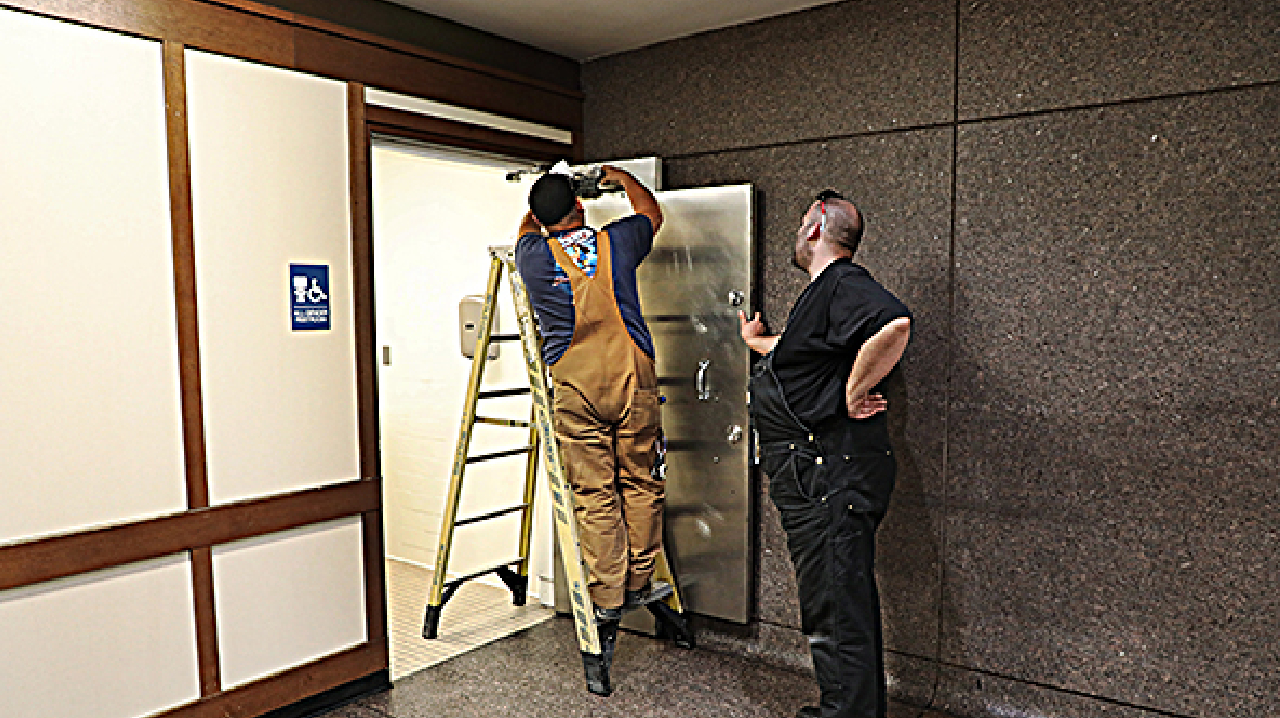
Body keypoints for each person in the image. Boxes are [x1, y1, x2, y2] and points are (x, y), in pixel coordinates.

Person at [739, 190, 912, 718]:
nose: (796, 231)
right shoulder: (823, 294)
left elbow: (894, 324)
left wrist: (852, 393)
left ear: (816, 225)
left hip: (828, 475)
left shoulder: (842, 282)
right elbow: (803, 350)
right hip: (817, 474)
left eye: (800, 222)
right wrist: (759, 343)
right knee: (834, 605)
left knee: (836, 613)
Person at [514, 165, 671, 694]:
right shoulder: (617, 242)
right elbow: (652, 212)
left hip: (575, 387)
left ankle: (606, 597)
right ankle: (640, 580)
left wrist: (544, 201)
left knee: (594, 494)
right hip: (632, 376)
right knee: (642, 483)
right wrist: (620, 178)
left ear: (541, 217)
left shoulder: (531, 256)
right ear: (580, 207)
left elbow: (527, 227)